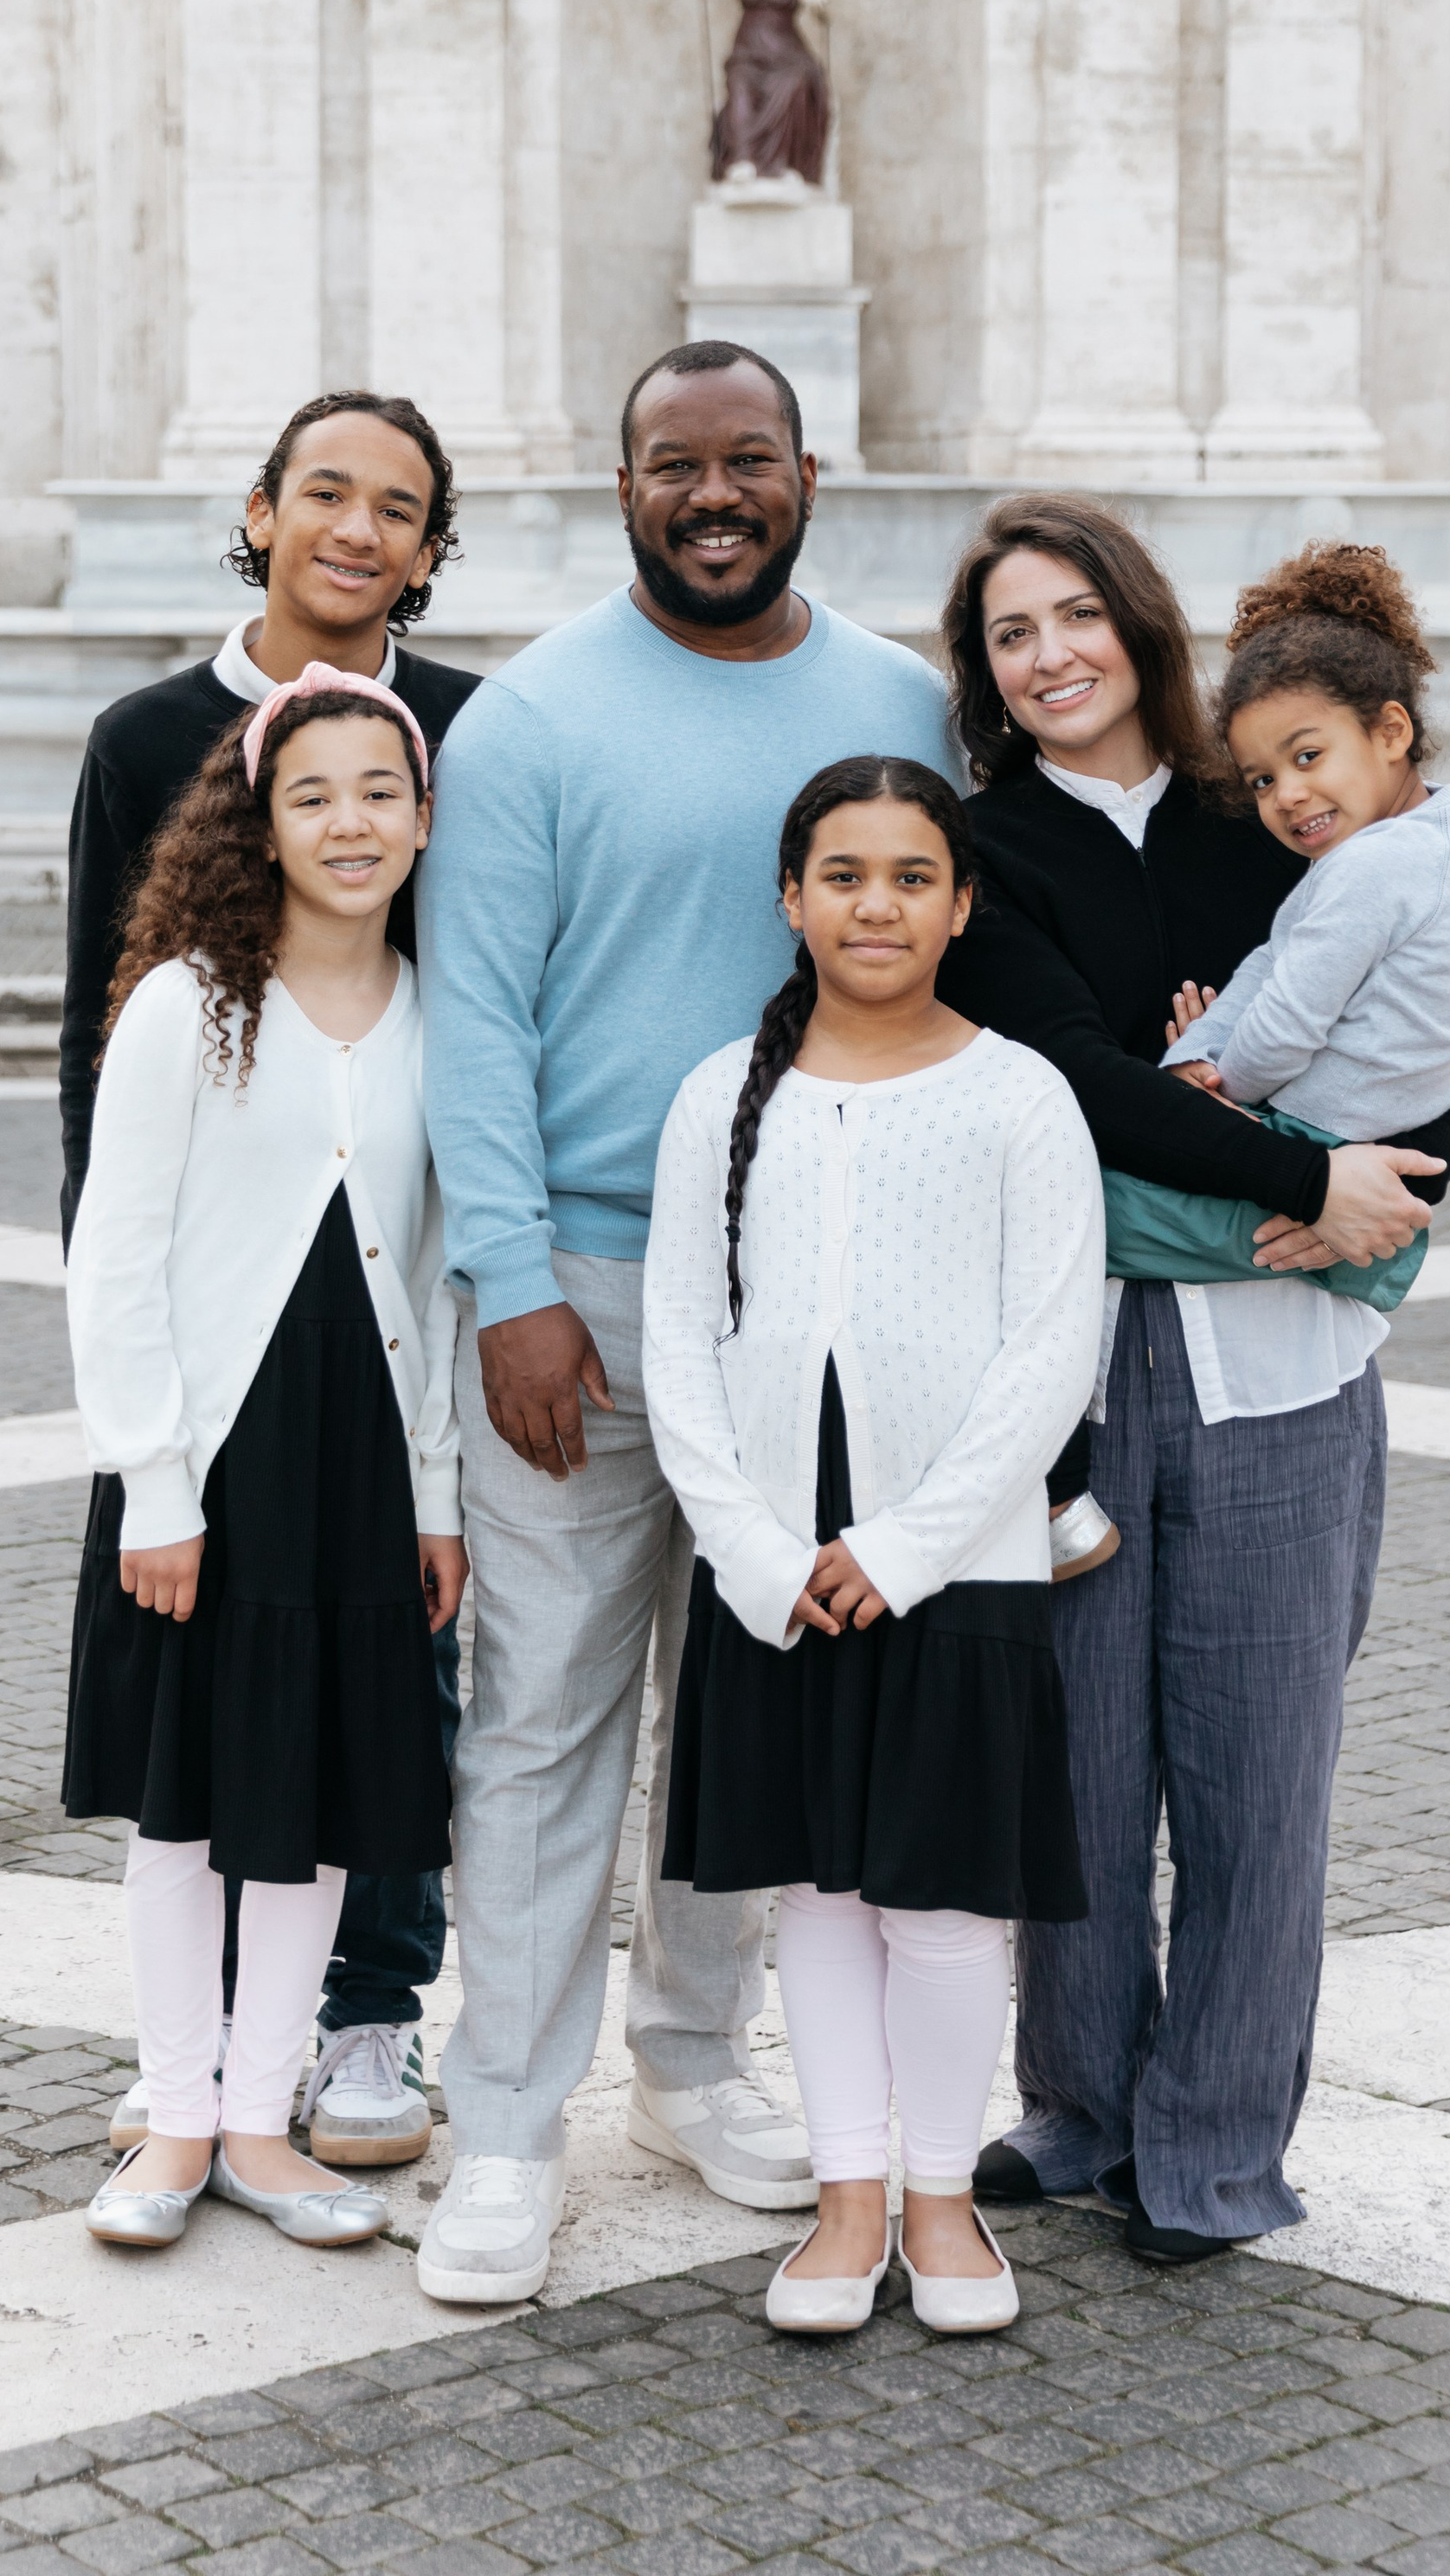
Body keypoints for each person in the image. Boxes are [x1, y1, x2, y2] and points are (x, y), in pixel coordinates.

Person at [414, 339, 959, 2305]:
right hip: (577, 1286)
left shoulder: (900, 698)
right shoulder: (531, 720)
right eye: (672, 464)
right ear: (619, 479)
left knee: (744, 1715)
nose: (709, 493)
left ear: (807, 471)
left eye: (745, 461)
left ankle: (689, 2064)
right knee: (544, 1714)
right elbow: (470, 1021)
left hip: (803, 1295)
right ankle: (498, 2126)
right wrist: (507, 1283)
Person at [932, 495, 1450, 2267]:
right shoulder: (981, 848)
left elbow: (1441, 1028)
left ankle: (1215, 2151)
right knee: (1080, 1767)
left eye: (1074, 615)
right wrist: (1291, 1168)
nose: (1049, 656)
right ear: (982, 673)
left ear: (1136, 625)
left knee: (1260, 1772)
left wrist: (1385, 1201)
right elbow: (1074, 1081)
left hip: (1285, 1360)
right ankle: (1080, 2105)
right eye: (1010, 633)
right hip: (1069, 1366)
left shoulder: (1271, 813)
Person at [60, 389, 478, 2174]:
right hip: (209, 1316)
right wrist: (141, 1396)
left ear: (430, 548)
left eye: (398, 507)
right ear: (261, 510)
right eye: (326, 493)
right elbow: (108, 1059)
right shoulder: (148, 734)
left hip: (391, 1309)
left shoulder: (470, 736)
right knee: (203, 1683)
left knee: (379, 1685)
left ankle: (365, 2015)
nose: (358, 529)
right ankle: (202, 2071)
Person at [644, 758, 1103, 2337]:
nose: (878, 904)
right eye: (844, 874)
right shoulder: (722, 1095)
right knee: (820, 1895)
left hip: (954, 1561)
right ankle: (846, 2200)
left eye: (913, 876)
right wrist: (758, 1554)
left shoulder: (1019, 1095)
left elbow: (1050, 1352)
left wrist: (906, 1546)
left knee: (945, 1903)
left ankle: (939, 2198)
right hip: (775, 1566)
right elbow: (682, 1346)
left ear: (962, 903)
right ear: (792, 898)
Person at [1119, 545, 1450, 1312]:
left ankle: (1365, 1259)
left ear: (1390, 731)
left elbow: (1288, 1021)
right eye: (1262, 779)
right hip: (1341, 1132)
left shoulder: (1373, 868)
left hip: (1318, 1142)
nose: (1287, 796)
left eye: (1307, 756)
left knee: (1109, 1214)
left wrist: (1219, 1096)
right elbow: (1275, 960)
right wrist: (1196, 1056)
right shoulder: (1430, 833)